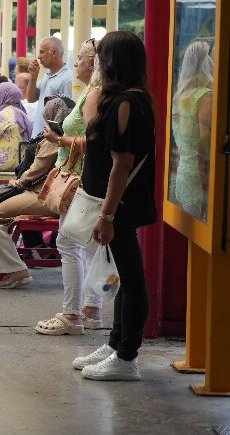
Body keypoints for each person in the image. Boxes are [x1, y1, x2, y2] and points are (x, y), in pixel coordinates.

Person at [73, 31, 156, 381]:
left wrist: (107, 215)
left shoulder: (126, 104)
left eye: (102, 56)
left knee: (133, 281)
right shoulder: (129, 99)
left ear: (113, 61)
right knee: (123, 277)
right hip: (119, 203)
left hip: (120, 205)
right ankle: (115, 344)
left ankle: (126, 356)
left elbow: (121, 164)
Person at [35, 38, 105, 336]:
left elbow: (97, 143)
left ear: (93, 64)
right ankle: (90, 308)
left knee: (68, 242)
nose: (74, 63)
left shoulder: (95, 94)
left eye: (79, 59)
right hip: (82, 176)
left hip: (80, 177)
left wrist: (59, 140)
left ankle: (72, 313)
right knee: (86, 244)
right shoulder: (92, 91)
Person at [0, 98, 70, 289]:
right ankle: (0, 265)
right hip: (42, 191)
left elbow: (38, 167)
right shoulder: (55, 135)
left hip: (44, 194)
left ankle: (15, 269)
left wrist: (18, 183)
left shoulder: (55, 137)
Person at [170, 40, 213, 221]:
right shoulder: (206, 96)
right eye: (208, 57)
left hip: (184, 173)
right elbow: (206, 143)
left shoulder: (180, 96)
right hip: (199, 175)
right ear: (203, 63)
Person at [26, 36, 73, 136]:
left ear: (54, 52)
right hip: (38, 136)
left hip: (52, 141)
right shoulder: (47, 75)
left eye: (42, 52)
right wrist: (33, 77)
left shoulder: (67, 78)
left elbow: (68, 114)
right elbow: (31, 98)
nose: (39, 57)